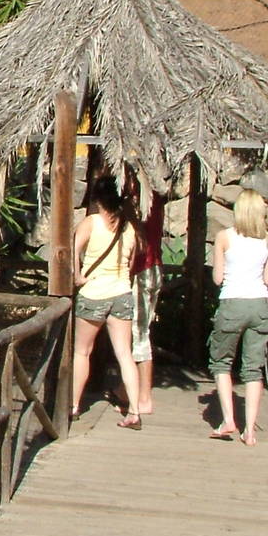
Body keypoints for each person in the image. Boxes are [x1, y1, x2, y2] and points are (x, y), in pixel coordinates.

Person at [207, 187, 268, 446]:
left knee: (222, 363)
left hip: (232, 302)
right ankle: (250, 431)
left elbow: (217, 278)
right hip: (259, 304)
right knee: (253, 368)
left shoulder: (224, 237)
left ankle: (228, 420)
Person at [70, 174, 141, 429]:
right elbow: (131, 264)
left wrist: (78, 275)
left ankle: (74, 405)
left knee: (82, 351)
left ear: (98, 198)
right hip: (122, 292)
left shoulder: (93, 222)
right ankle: (134, 410)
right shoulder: (128, 227)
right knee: (124, 353)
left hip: (95, 292)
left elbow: (73, 249)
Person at [127, 178, 165, 416]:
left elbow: (138, 243)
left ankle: (144, 397)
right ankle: (128, 386)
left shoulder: (138, 206)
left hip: (142, 270)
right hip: (154, 268)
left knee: (139, 334)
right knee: (137, 331)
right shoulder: (156, 201)